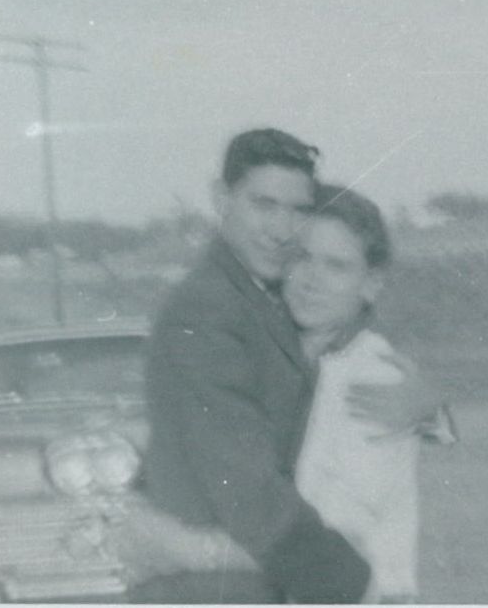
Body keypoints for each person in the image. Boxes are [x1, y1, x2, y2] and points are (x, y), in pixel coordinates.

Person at [132, 128, 370, 604]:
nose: (281, 230)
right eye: (264, 205)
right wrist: (344, 576)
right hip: (211, 587)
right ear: (222, 199)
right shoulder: (206, 310)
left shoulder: (265, 295)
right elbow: (243, 484)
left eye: (298, 210)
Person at [286, 184, 429, 603]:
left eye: (336, 266)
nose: (311, 280)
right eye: (301, 257)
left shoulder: (374, 373)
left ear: (371, 284)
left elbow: (344, 521)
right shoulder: (289, 358)